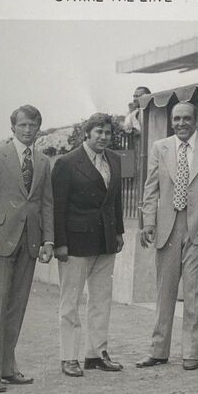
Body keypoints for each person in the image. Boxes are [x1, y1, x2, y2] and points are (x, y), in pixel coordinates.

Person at [136, 102, 198, 371]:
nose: (181, 123)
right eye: (176, 119)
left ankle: (191, 353)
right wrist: (148, 223)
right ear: (171, 122)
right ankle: (158, 350)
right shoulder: (160, 147)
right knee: (164, 293)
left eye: (187, 118)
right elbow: (151, 189)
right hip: (167, 229)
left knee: (194, 293)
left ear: (196, 120)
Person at [0, 105, 55, 394]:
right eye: (22, 125)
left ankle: (7, 368)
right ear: (13, 127)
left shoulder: (43, 161)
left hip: (30, 241)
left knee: (17, 306)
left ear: (38, 128)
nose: (27, 129)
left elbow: (46, 203)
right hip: (0, 241)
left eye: (33, 125)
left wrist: (48, 240)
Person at [52, 113, 126, 378]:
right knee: (70, 301)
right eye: (98, 132)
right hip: (75, 242)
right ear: (87, 134)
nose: (104, 137)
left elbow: (114, 200)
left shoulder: (114, 160)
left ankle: (96, 354)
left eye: (107, 133)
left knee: (101, 299)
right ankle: (69, 357)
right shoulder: (66, 163)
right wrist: (59, 243)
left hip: (105, 241)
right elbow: (57, 206)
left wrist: (118, 232)